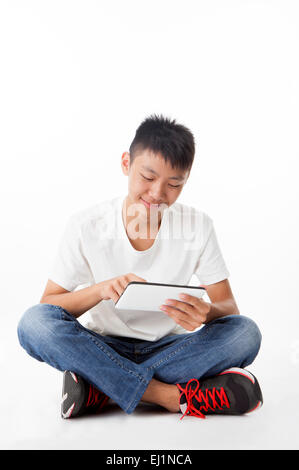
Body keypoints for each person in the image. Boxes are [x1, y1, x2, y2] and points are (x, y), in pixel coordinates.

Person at [17, 114, 263, 420]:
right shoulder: (86, 225)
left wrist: (207, 312)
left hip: (168, 347)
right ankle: (168, 396)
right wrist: (100, 291)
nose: (158, 194)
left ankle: (100, 387)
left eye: (174, 184)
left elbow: (230, 310)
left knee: (246, 334)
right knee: (33, 323)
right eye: (147, 177)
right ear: (125, 163)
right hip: (102, 344)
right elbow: (49, 307)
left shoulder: (198, 226)